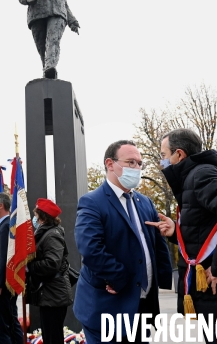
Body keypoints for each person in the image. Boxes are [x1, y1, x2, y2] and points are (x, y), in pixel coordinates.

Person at [151, 128, 217, 344]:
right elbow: (208, 228)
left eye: (163, 156)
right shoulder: (196, 176)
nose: (162, 163)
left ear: (179, 155)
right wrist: (176, 232)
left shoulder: (201, 174)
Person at [74, 140, 173, 344]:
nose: (136, 168)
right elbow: (91, 249)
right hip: (107, 307)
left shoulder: (145, 202)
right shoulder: (92, 202)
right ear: (110, 164)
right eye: (130, 162)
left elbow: (155, 242)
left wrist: (163, 276)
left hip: (141, 306)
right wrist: (119, 278)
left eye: (139, 163)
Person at [27, 198, 73, 344]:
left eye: (36, 215)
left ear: (42, 217)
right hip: (50, 294)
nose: (34, 218)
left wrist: (30, 267)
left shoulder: (52, 234)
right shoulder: (45, 233)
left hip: (54, 295)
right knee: (50, 336)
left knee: (53, 337)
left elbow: (52, 263)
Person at [0, 192, 24, 344]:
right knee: (10, 324)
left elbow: (4, 258)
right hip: (0, 284)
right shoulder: (0, 226)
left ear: (0, 206)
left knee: (2, 329)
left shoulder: (6, 225)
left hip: (1, 286)